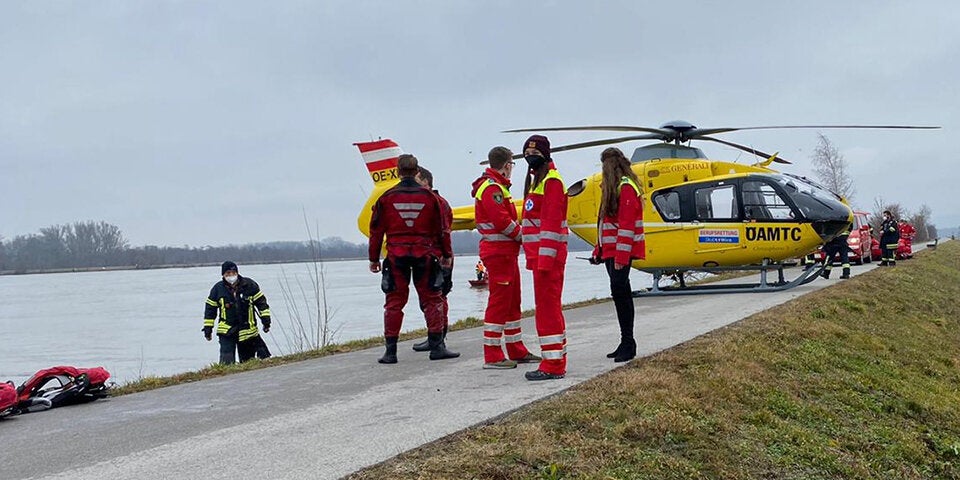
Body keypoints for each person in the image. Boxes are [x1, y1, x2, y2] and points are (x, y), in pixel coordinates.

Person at [369, 154, 459, 363]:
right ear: (417, 171)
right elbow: (442, 230)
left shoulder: (386, 198)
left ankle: (390, 352)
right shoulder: (431, 199)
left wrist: (373, 259)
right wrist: (446, 255)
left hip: (396, 257)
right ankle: (436, 347)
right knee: (432, 300)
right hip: (425, 255)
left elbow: (376, 231)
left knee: (393, 303)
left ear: (398, 172)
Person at [471, 146, 540, 369]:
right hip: (498, 252)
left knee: (512, 302)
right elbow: (502, 222)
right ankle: (492, 354)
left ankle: (515, 348)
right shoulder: (492, 189)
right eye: (512, 164)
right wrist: (525, 237)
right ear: (507, 165)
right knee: (499, 302)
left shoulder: (498, 187)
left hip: (507, 253)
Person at [589, 147, 645, 362]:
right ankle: (625, 341)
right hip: (611, 252)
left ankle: (628, 342)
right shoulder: (612, 189)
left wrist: (621, 257)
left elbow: (627, 227)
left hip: (620, 253)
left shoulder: (626, 189)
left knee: (622, 295)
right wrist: (599, 250)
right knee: (619, 294)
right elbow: (604, 224)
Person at [520, 135, 568, 381]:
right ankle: (555, 359)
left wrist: (545, 261)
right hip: (539, 258)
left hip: (546, 259)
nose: (530, 156)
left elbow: (550, 225)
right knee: (547, 309)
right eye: (527, 152)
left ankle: (553, 365)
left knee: (548, 310)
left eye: (534, 152)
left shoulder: (551, 182)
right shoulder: (539, 181)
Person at [410, 166, 454, 353]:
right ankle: (436, 335)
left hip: (436, 255)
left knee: (435, 298)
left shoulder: (437, 203)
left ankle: (438, 337)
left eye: (417, 180)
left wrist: (446, 255)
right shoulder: (435, 202)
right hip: (433, 254)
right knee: (433, 298)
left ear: (426, 181)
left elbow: (443, 231)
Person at [203, 261, 273, 364]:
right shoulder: (217, 289)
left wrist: (266, 321)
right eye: (228, 273)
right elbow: (210, 310)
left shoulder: (249, 285)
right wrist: (208, 329)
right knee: (226, 363)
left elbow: (261, 304)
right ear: (223, 275)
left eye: (233, 273)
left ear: (237, 273)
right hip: (227, 331)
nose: (231, 276)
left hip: (247, 331)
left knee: (248, 362)